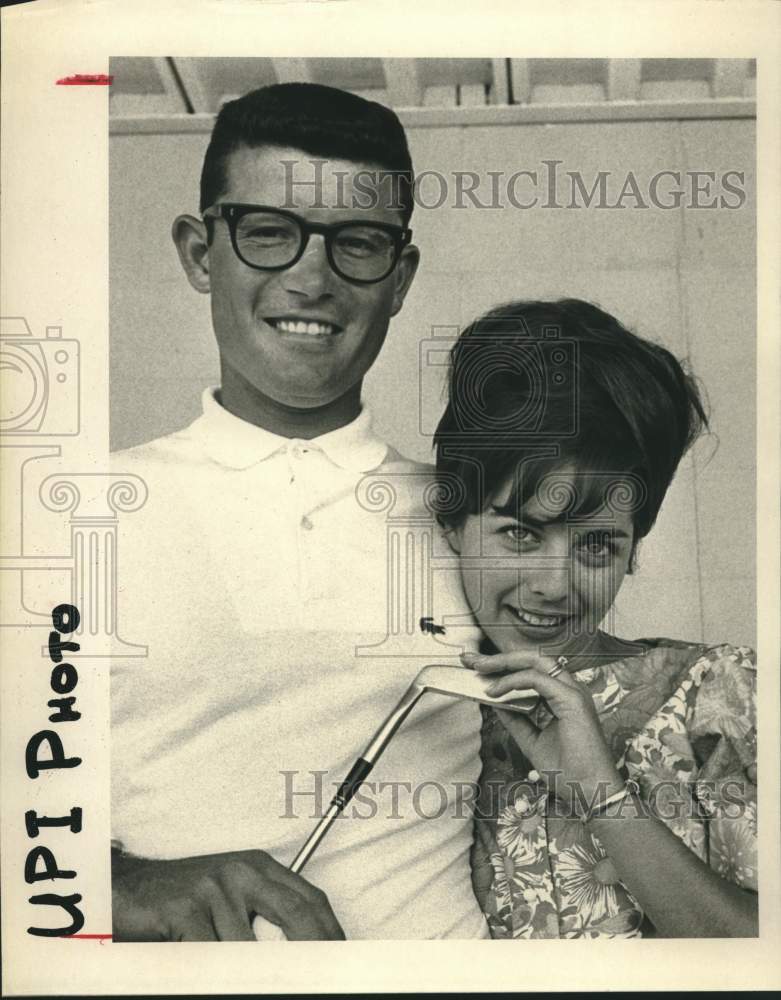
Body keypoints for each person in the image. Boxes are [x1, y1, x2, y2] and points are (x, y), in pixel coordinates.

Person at [110, 83, 489, 941]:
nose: (312, 279)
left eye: (357, 243)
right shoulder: (73, 511)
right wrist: (116, 882)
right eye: (269, 233)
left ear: (400, 278)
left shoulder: (474, 515)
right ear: (202, 253)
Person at [433, 298, 758, 938]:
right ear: (451, 520)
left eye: (597, 546)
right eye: (521, 534)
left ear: (633, 549)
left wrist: (601, 794)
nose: (556, 586)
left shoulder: (714, 695)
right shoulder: (438, 713)